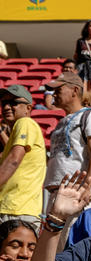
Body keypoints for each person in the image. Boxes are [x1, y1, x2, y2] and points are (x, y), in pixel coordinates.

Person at [42, 72, 91, 201]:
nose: (54, 94)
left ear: (74, 90)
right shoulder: (61, 122)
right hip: (56, 191)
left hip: (76, 191)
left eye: (58, 90)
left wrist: (86, 187)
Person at [0, 86, 45, 228]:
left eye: (13, 102)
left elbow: (14, 160)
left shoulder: (25, 122)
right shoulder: (16, 133)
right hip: (15, 208)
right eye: (3, 104)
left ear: (28, 108)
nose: (6, 107)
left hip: (17, 210)